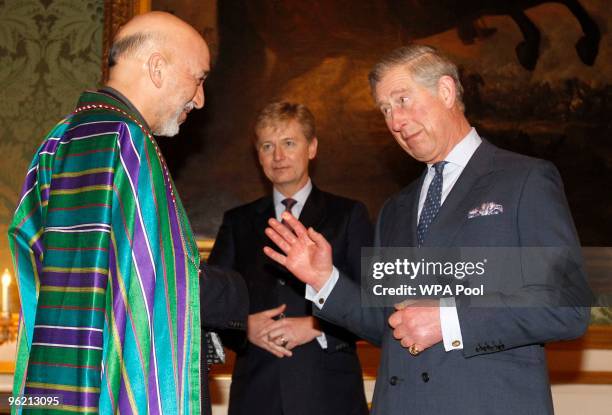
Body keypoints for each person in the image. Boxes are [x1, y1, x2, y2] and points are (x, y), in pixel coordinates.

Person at [263, 45, 592, 414]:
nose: (394, 121)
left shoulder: (524, 180)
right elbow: (390, 323)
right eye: (385, 109)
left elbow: (566, 305)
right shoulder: (395, 209)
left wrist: (449, 320)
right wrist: (326, 281)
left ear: (447, 92)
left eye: (402, 100)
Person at [8, 11, 247, 414]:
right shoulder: (127, 142)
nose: (200, 99)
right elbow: (157, 277)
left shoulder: (58, 139)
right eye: (199, 79)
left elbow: (43, 266)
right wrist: (237, 292)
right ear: (157, 67)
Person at [208, 101, 371, 415]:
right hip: (257, 396)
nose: (278, 156)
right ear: (258, 155)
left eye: (289, 143)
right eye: (267, 146)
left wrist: (317, 325)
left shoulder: (349, 215)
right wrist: (243, 327)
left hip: (328, 394)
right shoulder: (237, 222)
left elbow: (371, 299)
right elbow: (214, 302)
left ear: (311, 148)